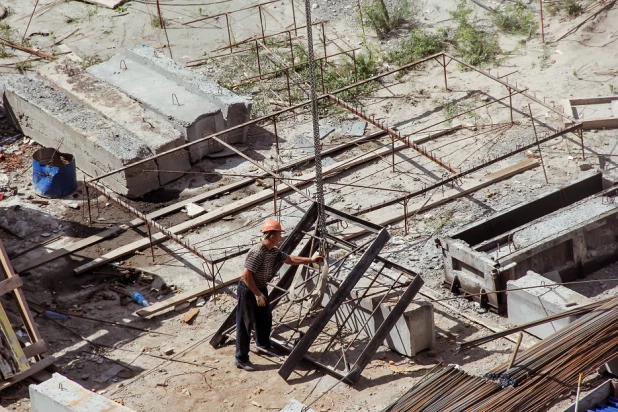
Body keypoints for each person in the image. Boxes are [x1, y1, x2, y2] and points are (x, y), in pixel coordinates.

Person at [234, 219, 323, 371]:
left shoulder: (273, 251)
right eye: (279, 234)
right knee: (245, 323)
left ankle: (262, 344)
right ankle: (241, 358)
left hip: (260, 288)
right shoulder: (257, 252)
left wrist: (310, 260)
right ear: (272, 236)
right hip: (249, 290)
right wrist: (257, 294)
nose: (281, 237)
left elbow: (289, 259)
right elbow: (246, 275)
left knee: (265, 317)